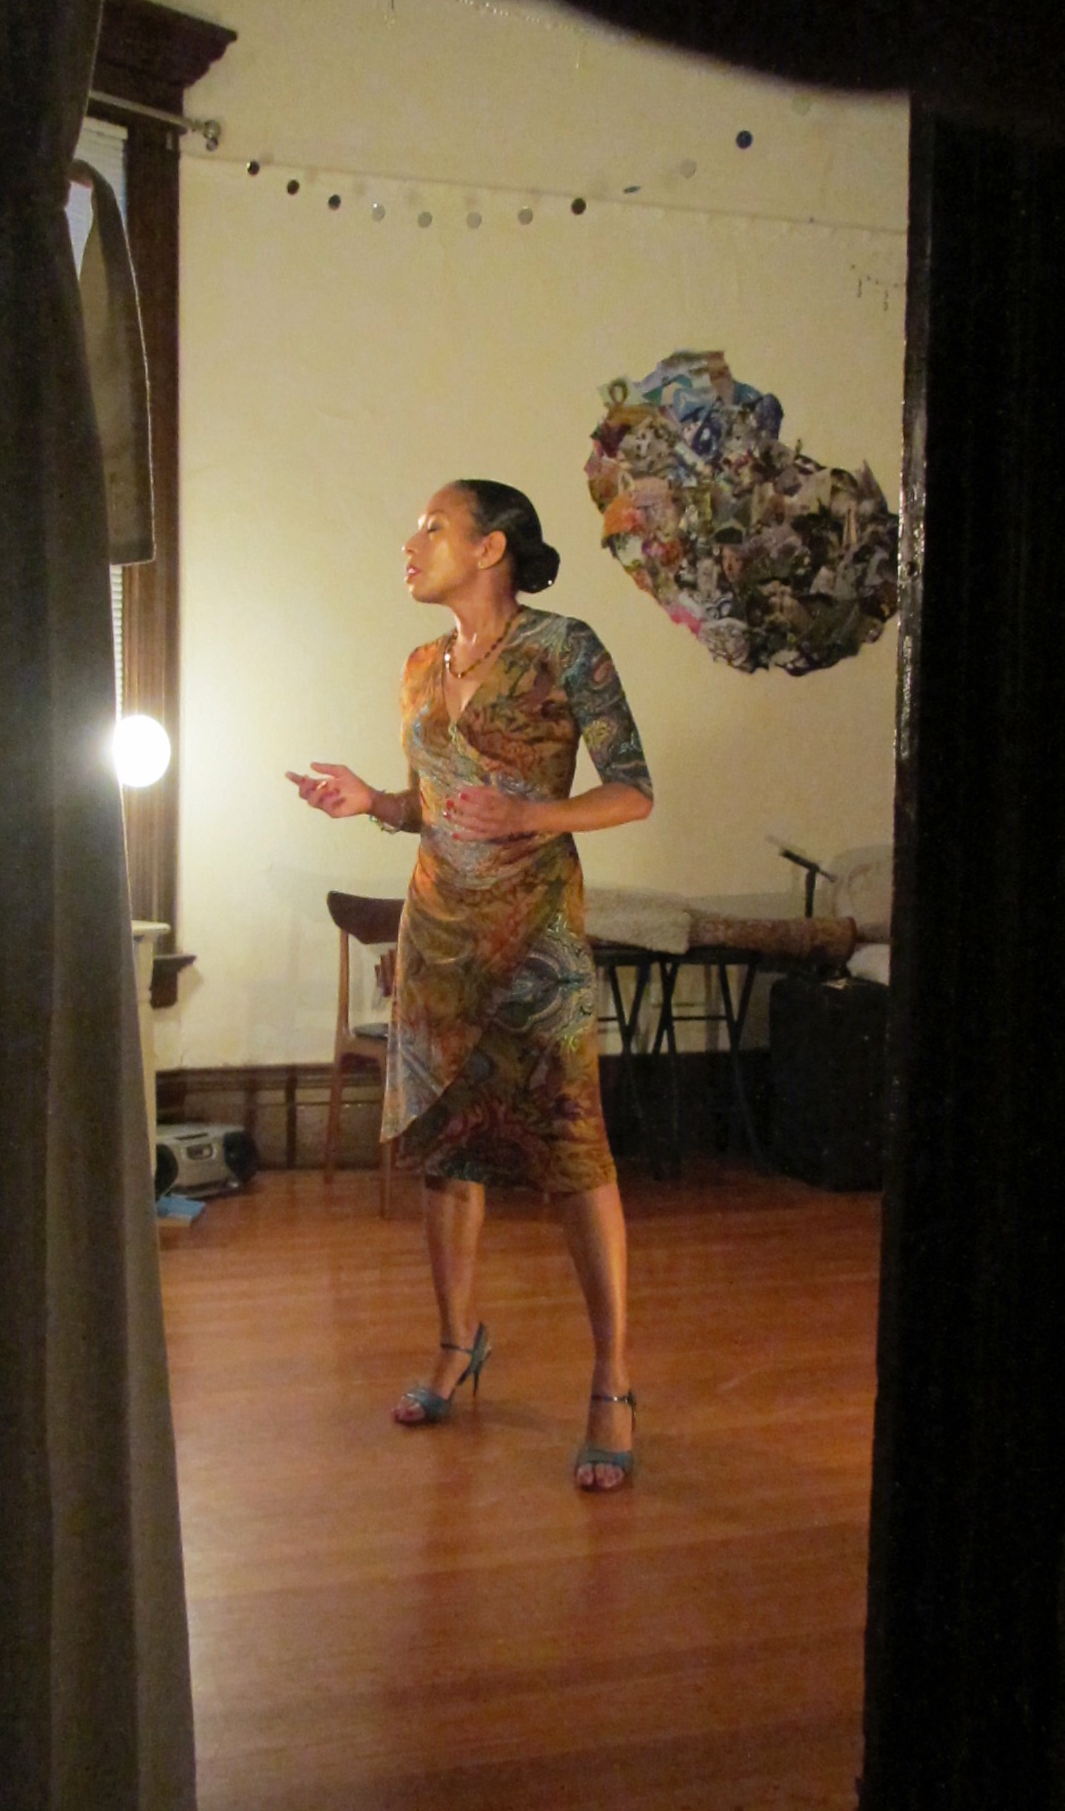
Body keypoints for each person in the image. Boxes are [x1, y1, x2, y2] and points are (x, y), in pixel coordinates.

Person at [287, 480, 653, 1489]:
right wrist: (374, 801)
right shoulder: (418, 666)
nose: (412, 543)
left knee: (575, 1153)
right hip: (437, 935)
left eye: (434, 528)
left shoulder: (565, 648)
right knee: (445, 1154)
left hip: (535, 941)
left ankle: (613, 1380)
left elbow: (632, 791)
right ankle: (456, 1345)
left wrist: (535, 818)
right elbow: (436, 806)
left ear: (491, 548)